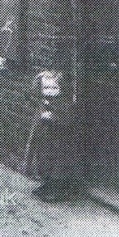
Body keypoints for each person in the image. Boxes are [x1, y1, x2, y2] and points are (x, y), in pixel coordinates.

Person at [24, 70, 79, 202]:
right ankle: (46, 183)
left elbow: (68, 116)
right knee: (43, 156)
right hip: (45, 133)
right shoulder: (43, 97)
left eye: (54, 88)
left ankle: (58, 188)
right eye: (46, 88)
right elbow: (33, 101)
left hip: (59, 134)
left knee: (58, 159)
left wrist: (55, 117)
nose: (50, 91)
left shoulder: (65, 100)